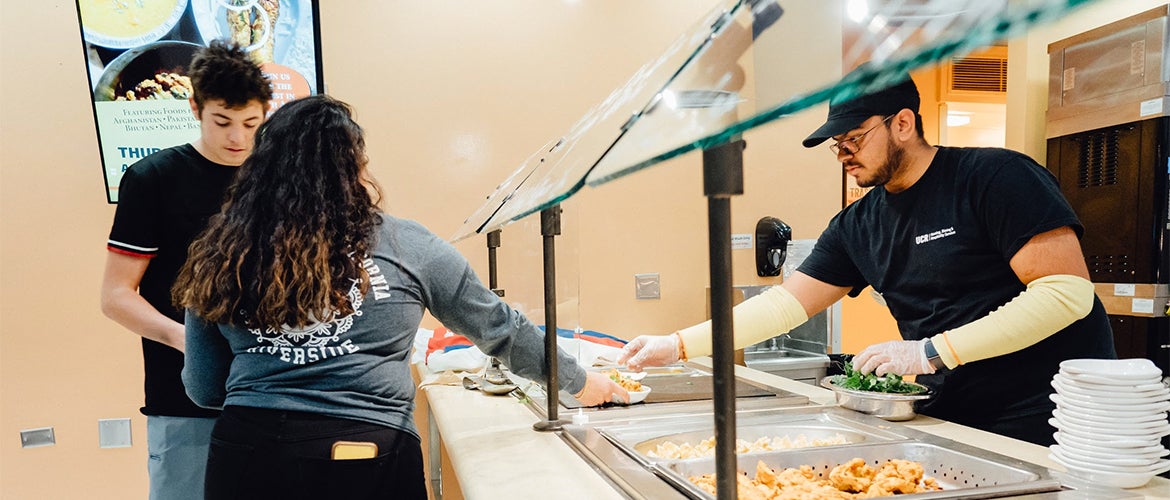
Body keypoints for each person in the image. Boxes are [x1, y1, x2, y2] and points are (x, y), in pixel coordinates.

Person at [618, 72, 1116, 446]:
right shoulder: (857, 224)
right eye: (837, 146)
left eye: (853, 140)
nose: (844, 154)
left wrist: (928, 352)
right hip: (955, 410)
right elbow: (784, 307)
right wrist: (678, 345)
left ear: (903, 123)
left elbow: (1065, 296)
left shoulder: (994, 176)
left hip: (1053, 413)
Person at [172, 95, 627, 499]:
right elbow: (502, 329)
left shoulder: (220, 252)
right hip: (365, 456)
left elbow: (204, 388)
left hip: (246, 455)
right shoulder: (407, 245)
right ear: (354, 169)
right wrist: (581, 382)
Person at [100, 40, 272, 499]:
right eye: (222, 122)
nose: (237, 138)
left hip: (271, 393)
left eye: (250, 124)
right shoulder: (152, 179)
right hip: (183, 400)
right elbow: (116, 298)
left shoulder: (273, 183)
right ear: (195, 107)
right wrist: (189, 342)